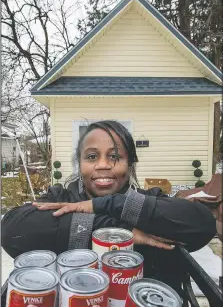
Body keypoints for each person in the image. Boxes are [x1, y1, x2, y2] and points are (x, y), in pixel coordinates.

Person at [1, 120, 216, 290]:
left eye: (115, 156)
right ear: (80, 164)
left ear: (130, 164)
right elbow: (11, 232)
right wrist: (120, 231)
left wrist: (106, 204)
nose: (103, 164)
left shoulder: (147, 200)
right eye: (92, 156)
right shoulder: (61, 198)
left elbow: (202, 224)